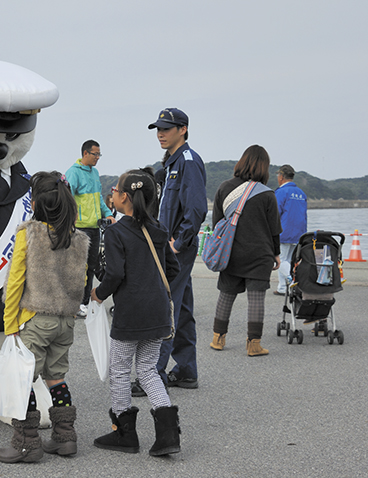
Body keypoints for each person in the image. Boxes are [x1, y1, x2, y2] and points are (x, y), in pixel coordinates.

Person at [0, 171, 89, 463]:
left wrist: (10, 323)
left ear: (35, 204)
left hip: (35, 319)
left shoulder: (29, 234)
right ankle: (65, 437)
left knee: (23, 381)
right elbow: (83, 281)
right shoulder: (78, 239)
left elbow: (15, 281)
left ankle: (26, 443)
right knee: (56, 377)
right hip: (66, 321)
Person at [91, 169, 181, 456]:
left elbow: (115, 273)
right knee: (147, 369)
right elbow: (173, 269)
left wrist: (98, 293)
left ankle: (124, 433)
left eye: (116, 190)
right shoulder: (159, 229)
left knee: (119, 370)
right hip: (157, 311)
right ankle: (168, 434)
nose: (113, 194)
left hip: (130, 313)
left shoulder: (116, 232)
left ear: (125, 197)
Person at [147, 108, 206, 391]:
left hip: (176, 249)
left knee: (166, 307)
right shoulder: (171, 163)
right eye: (158, 129)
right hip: (170, 247)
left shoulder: (188, 162)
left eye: (166, 128)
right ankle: (186, 370)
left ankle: (153, 374)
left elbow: (196, 208)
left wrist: (178, 243)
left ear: (183, 129)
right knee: (181, 307)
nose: (160, 133)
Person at [208, 145, 281, 356]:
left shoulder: (224, 188)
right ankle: (253, 345)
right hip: (259, 255)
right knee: (256, 300)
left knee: (226, 295)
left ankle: (218, 339)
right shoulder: (267, 194)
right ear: (264, 167)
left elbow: (217, 223)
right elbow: (274, 229)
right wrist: (276, 253)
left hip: (230, 252)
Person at [65, 140, 115, 318]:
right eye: (95, 154)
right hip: (79, 228)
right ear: (85, 153)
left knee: (91, 267)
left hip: (94, 227)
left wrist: (108, 214)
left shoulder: (95, 173)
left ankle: (85, 302)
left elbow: (99, 198)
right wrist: (69, 222)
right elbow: (67, 198)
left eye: (99, 154)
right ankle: (74, 303)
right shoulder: (73, 173)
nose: (98, 158)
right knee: (78, 267)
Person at [274, 165, 307, 295]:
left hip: (284, 231)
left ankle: (293, 279)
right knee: (290, 260)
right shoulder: (301, 193)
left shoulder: (281, 192)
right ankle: (283, 288)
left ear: (281, 177)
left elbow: (275, 213)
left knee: (280, 259)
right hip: (299, 232)